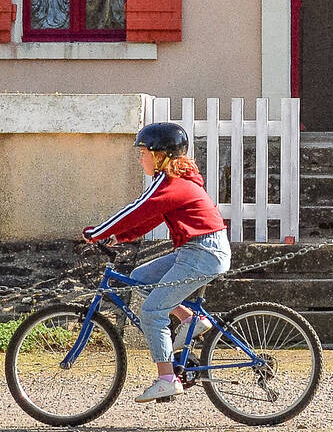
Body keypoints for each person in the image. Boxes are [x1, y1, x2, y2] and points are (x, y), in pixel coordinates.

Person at [83, 121, 231, 403]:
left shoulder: (171, 182)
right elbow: (151, 217)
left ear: (160, 155)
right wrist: (121, 236)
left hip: (203, 253)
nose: (140, 158)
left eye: (143, 153)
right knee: (140, 277)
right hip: (197, 249)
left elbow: (138, 208)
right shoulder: (174, 181)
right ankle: (191, 319)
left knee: (152, 312)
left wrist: (96, 232)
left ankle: (166, 379)